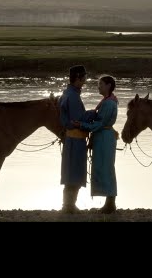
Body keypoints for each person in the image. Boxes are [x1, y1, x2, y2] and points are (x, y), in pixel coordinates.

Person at [73, 75, 118, 214]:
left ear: (108, 85)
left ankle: (110, 203)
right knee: (105, 167)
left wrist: (81, 124)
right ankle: (109, 202)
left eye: (101, 84)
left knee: (106, 168)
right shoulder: (108, 101)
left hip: (104, 137)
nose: (98, 86)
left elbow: (99, 124)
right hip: (103, 137)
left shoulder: (109, 103)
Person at [58, 65, 89, 213]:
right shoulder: (74, 97)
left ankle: (68, 204)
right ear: (78, 78)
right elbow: (79, 120)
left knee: (70, 171)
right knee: (75, 171)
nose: (85, 80)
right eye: (84, 77)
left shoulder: (67, 93)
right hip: (76, 140)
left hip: (70, 139)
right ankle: (69, 206)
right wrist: (95, 115)